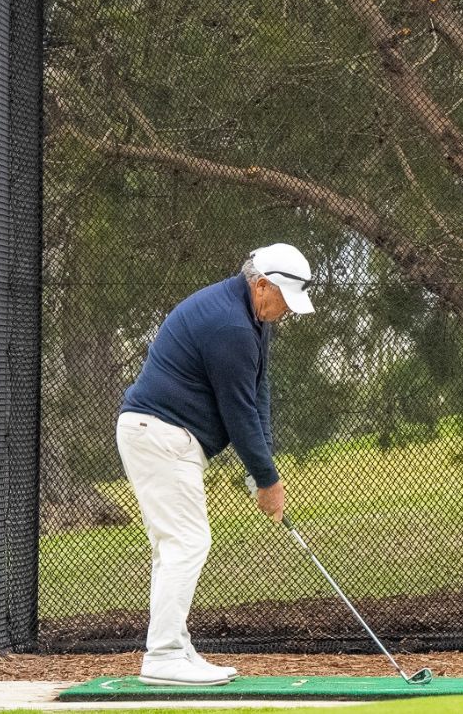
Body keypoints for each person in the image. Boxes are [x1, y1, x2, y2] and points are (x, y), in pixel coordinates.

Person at [114, 243, 315, 686]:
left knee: (175, 546)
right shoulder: (231, 325)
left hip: (162, 436)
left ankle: (175, 647)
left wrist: (263, 469)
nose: (286, 311)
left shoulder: (253, 318)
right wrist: (267, 481)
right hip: (159, 435)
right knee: (187, 542)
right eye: (284, 300)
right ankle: (163, 656)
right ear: (262, 286)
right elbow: (238, 412)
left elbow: (258, 394)